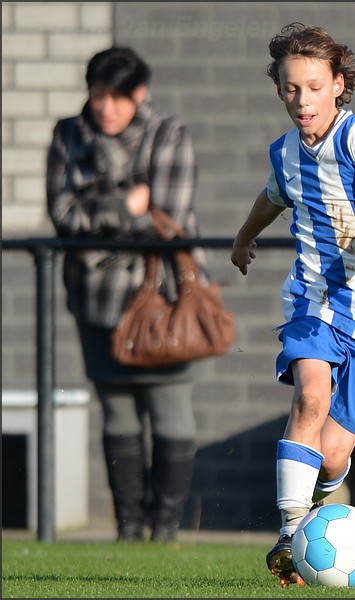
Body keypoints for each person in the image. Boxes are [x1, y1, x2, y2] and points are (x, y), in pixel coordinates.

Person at [230, 23, 355, 587]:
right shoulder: (285, 151)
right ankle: (292, 532)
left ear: (338, 85)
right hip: (313, 300)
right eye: (291, 89)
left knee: (334, 456)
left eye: (314, 87)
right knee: (310, 396)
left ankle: (315, 505)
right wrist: (244, 238)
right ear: (280, 91)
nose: (302, 100)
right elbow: (273, 196)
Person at [46, 47, 208, 543]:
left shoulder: (167, 134)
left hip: (165, 300)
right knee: (115, 409)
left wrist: (102, 216)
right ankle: (128, 529)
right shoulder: (68, 135)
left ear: (139, 94)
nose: (106, 108)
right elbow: (62, 215)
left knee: (170, 408)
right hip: (96, 297)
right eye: (98, 96)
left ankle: (164, 530)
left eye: (118, 97)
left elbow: (168, 220)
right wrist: (125, 205)